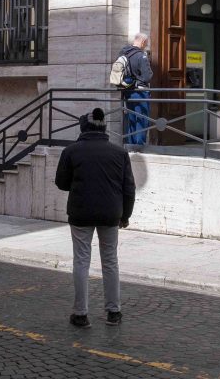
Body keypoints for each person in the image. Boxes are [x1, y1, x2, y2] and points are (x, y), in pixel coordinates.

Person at [55, 108, 136, 328]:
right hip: (110, 213)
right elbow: (129, 188)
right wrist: (126, 215)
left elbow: (61, 183)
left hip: (81, 212)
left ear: (83, 128)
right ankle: (114, 312)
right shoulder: (119, 153)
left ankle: (80, 314)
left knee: (81, 261)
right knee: (110, 261)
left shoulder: (71, 151)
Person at [119, 33, 154, 145]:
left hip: (127, 91)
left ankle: (131, 144)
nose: (146, 46)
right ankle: (140, 146)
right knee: (141, 118)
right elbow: (147, 76)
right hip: (140, 92)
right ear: (143, 42)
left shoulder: (123, 53)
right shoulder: (141, 56)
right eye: (146, 44)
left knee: (131, 118)